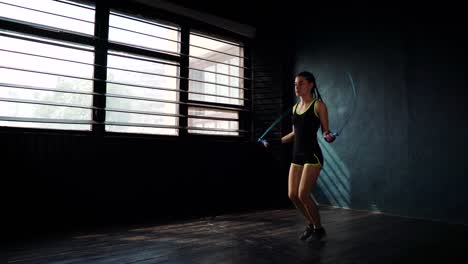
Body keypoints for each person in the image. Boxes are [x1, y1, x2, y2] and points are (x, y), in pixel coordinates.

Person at [280, 71, 336, 243]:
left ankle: (318, 229)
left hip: (312, 155)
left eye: (301, 83)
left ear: (311, 85)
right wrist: (276, 141)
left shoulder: (318, 105)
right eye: (296, 84)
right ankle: (312, 224)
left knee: (303, 194)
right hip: (296, 155)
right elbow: (294, 134)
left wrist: (328, 136)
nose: (297, 86)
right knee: (292, 195)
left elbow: (326, 131)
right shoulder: (295, 108)